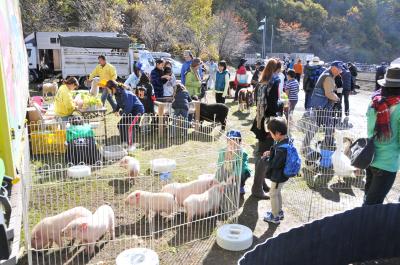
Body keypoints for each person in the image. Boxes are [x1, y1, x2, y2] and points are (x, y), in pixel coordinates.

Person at [365, 66, 400, 205]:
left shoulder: (374, 102)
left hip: (370, 158)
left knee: (368, 199)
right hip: (387, 163)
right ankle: (363, 226)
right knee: (373, 206)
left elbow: (369, 130)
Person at [250, 59, 280, 198]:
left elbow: (257, 101)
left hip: (260, 121)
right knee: (264, 156)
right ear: (276, 69)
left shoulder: (261, 82)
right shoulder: (274, 82)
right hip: (269, 123)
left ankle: (261, 184)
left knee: (261, 153)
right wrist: (281, 104)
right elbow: (273, 105)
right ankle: (257, 189)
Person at [302, 61, 342, 154]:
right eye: (338, 69)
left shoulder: (328, 74)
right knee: (329, 126)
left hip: (320, 105)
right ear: (333, 68)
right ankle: (327, 146)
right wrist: (337, 99)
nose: (340, 71)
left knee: (315, 127)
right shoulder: (328, 77)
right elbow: (329, 93)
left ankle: (306, 146)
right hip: (323, 107)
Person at [263, 117, 290, 224]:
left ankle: (274, 216)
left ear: (278, 133)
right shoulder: (285, 141)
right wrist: (270, 153)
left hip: (279, 176)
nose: (271, 136)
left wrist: (268, 160)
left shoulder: (282, 149)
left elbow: (275, 163)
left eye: (271, 134)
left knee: (273, 194)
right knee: (277, 193)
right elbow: (276, 153)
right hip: (282, 176)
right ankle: (279, 211)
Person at [216, 130, 251, 195]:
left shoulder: (243, 153)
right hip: (228, 170)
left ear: (240, 143)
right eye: (230, 143)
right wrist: (216, 180)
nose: (233, 146)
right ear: (227, 142)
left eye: (235, 143)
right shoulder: (222, 152)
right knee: (221, 171)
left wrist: (231, 177)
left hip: (239, 172)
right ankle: (225, 183)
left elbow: (240, 167)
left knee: (244, 172)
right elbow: (219, 165)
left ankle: (240, 185)